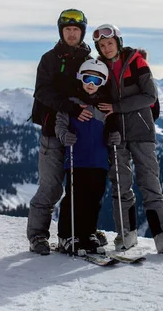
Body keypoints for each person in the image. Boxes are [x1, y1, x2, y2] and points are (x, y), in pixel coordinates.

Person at [93, 23, 163, 254]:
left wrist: (117, 107)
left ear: (118, 43)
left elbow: (149, 96)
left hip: (142, 132)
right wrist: (109, 124)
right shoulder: (98, 68)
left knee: (150, 183)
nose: (106, 48)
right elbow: (99, 103)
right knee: (120, 184)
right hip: (117, 135)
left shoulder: (136, 62)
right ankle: (126, 235)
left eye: (110, 43)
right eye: (102, 45)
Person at [27, 9, 102, 255]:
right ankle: (38, 236)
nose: (72, 33)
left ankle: (79, 231)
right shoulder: (49, 59)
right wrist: (69, 107)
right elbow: (42, 92)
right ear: (62, 32)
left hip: (80, 135)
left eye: (76, 30)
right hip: (52, 131)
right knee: (50, 188)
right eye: (67, 29)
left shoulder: (88, 59)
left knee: (80, 187)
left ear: (82, 33)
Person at [54, 59, 121, 254]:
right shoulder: (72, 103)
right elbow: (60, 124)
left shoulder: (104, 106)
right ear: (80, 78)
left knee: (94, 198)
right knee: (75, 198)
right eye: (87, 78)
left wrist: (113, 137)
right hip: (77, 158)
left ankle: (88, 233)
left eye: (97, 80)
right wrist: (64, 135)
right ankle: (66, 235)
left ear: (103, 83)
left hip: (99, 160)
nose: (91, 84)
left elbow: (110, 131)